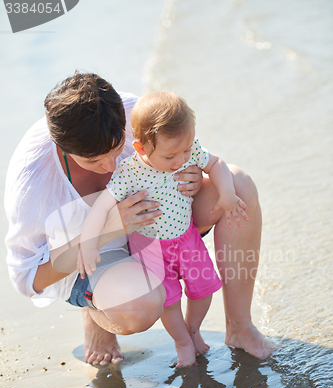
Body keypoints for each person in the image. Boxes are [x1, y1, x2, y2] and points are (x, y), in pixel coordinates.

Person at [4, 71, 278, 367]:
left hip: (160, 226)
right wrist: (108, 230)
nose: (111, 165)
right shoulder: (32, 181)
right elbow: (27, 279)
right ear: (63, 148)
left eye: (117, 148)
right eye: (94, 161)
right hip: (92, 254)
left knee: (238, 186)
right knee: (141, 306)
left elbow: (189, 154)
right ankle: (95, 309)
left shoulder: (137, 113)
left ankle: (240, 327)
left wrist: (194, 178)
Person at [77, 91, 250, 367]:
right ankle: (182, 342)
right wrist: (88, 242)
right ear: (142, 148)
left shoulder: (186, 150)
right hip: (151, 248)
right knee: (169, 302)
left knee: (204, 289)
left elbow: (215, 163)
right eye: (171, 155)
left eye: (186, 150)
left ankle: (193, 330)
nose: (182, 159)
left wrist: (226, 192)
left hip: (187, 238)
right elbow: (101, 207)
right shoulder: (128, 173)